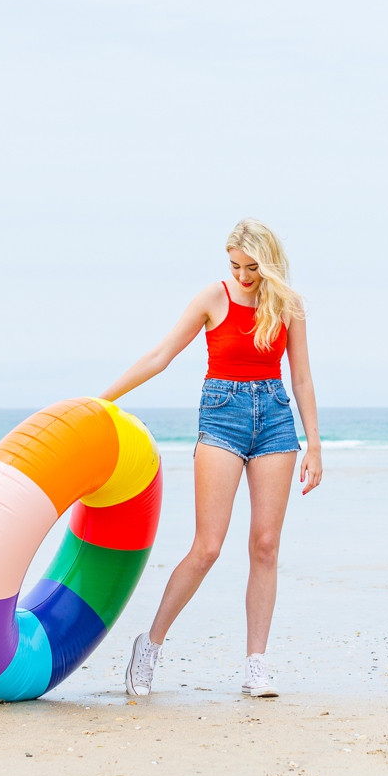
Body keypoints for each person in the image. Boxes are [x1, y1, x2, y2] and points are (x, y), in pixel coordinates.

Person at [99, 219, 322, 698]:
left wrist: (315, 446)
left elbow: (301, 378)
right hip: (221, 418)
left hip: (276, 419)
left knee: (265, 546)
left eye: (251, 268)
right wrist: (104, 400)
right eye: (235, 266)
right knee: (208, 547)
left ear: (269, 264)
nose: (242, 276)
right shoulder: (212, 298)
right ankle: (150, 645)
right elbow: (161, 355)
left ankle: (255, 665)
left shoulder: (289, 305)